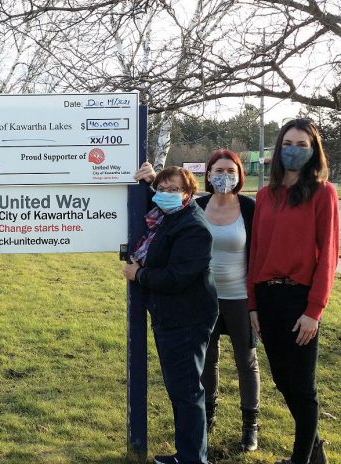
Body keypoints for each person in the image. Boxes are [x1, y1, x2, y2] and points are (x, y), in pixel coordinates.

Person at [247, 118, 337, 464]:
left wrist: (314, 310)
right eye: (288, 143)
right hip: (267, 300)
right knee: (283, 381)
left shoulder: (323, 193)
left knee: (302, 386)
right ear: (277, 148)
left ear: (314, 150)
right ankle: (315, 452)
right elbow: (256, 252)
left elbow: (329, 255)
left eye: (302, 145)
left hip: (300, 299)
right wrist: (253, 304)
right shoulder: (266, 195)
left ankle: (301, 459)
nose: (294, 150)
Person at [124, 164, 218, 464]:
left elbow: (177, 276)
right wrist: (154, 183)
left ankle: (193, 458)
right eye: (162, 190)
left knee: (188, 391)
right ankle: (187, 454)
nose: (165, 195)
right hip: (172, 317)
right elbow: (157, 201)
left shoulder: (193, 226)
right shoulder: (171, 216)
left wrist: (139, 276)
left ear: (189, 193)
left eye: (173, 190)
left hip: (187, 319)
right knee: (180, 389)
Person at [195, 150, 260, 452]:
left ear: (238, 174)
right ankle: (207, 419)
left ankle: (250, 428)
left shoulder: (249, 208)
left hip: (240, 298)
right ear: (208, 175)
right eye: (218, 170)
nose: (224, 175)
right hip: (205, 298)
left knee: (245, 361)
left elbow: (260, 255)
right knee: (208, 361)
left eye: (230, 170)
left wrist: (256, 303)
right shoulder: (196, 206)